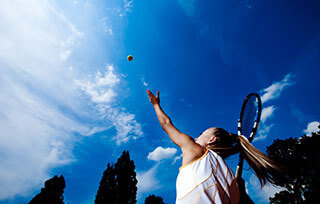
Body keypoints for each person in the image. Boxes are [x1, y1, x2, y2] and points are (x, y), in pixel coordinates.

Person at [146, 89, 283, 204]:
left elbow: (166, 124)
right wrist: (243, 195)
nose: (196, 137)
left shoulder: (196, 150)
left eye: (201, 133)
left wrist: (155, 105)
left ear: (211, 140)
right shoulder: (232, 182)